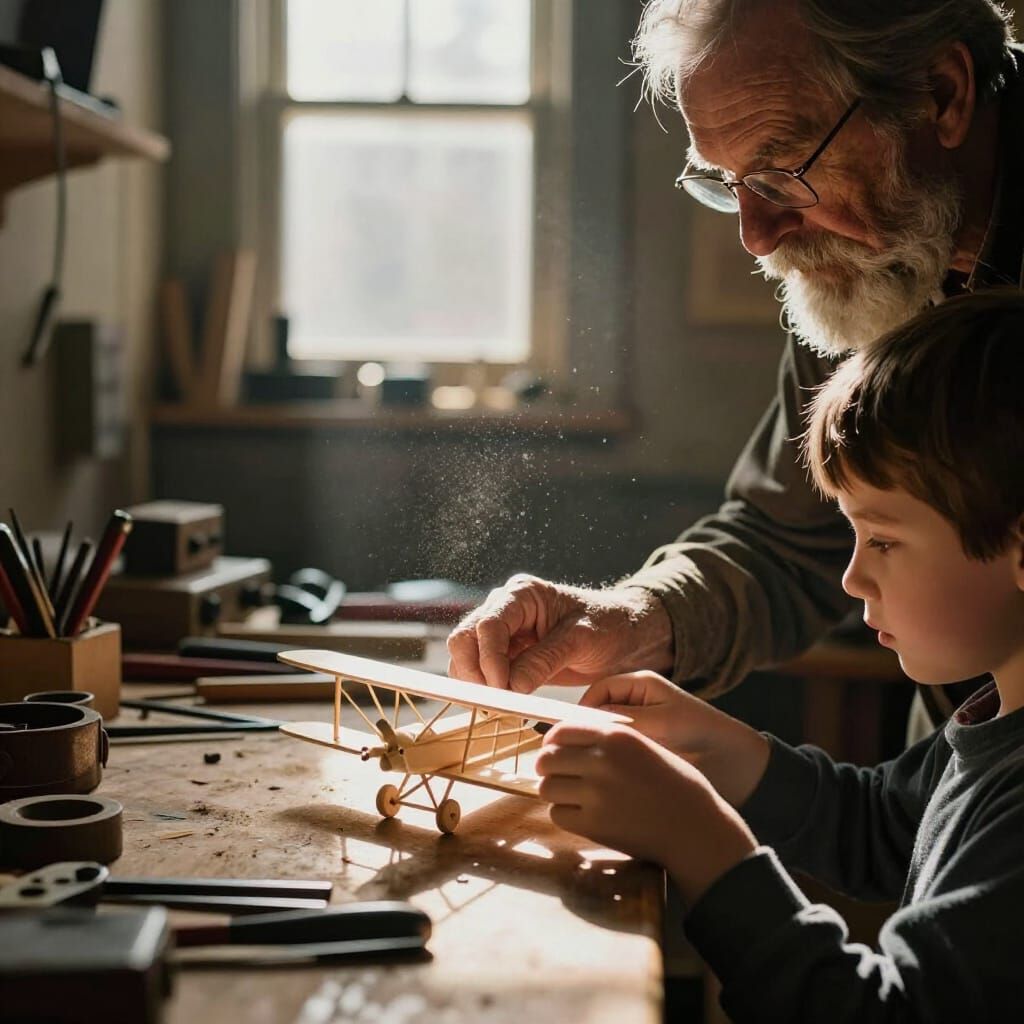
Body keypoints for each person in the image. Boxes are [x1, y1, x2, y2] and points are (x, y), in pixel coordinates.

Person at [447, 0, 1024, 733]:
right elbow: (790, 538)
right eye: (727, 184)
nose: (757, 237)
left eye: (783, 176)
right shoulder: (865, 258)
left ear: (942, 94)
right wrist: (629, 616)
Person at [535, 291, 1024, 1022]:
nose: (853, 577)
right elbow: (886, 823)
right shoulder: (993, 722)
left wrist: (702, 845)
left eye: (883, 540)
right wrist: (719, 749)